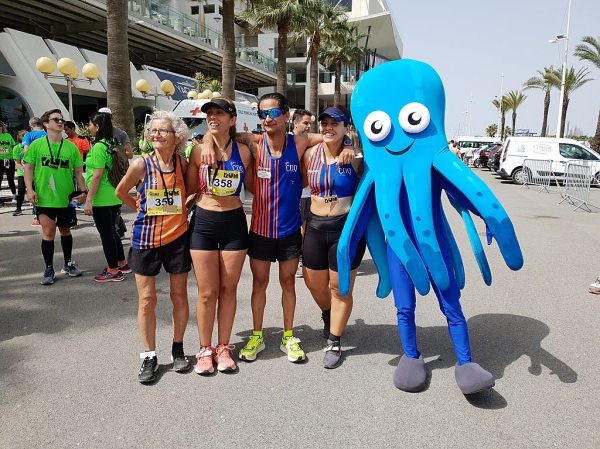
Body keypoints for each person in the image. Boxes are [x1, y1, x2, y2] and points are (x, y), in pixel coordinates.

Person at [201, 92, 354, 363]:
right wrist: (205, 140)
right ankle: (257, 335)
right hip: (260, 230)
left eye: (272, 113)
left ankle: (288, 335)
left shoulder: (300, 142)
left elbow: (332, 136)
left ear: (285, 115)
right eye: (262, 114)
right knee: (259, 284)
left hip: (289, 231)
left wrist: (348, 145)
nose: (267, 119)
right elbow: (220, 132)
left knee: (288, 283)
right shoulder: (253, 143)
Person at [115, 110, 192, 383]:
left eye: (162, 130)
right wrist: (140, 207)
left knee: (179, 296)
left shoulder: (182, 164)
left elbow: (191, 191)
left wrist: (184, 208)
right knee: (147, 300)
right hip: (146, 239)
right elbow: (121, 191)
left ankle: (178, 348)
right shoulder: (141, 164)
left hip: (177, 238)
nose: (156, 134)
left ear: (177, 137)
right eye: (153, 131)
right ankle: (149, 355)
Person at [185, 98, 253, 374]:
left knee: (228, 289)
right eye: (210, 114)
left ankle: (223, 347)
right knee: (207, 292)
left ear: (232, 119)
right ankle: (205, 349)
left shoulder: (244, 152)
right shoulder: (197, 151)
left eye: (219, 113)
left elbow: (254, 186)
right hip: (204, 222)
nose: (213, 117)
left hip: (234, 223)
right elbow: (189, 189)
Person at [301, 107, 365, 369]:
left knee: (340, 288)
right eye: (324, 123)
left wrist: (349, 145)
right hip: (315, 225)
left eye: (335, 124)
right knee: (314, 284)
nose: (328, 128)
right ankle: (328, 313)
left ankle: (334, 341)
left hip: (345, 228)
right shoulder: (309, 154)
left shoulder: (357, 158)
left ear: (346, 128)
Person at [23, 109, 86, 285]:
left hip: (66, 198)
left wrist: (83, 192)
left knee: (65, 230)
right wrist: (29, 189)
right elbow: (28, 168)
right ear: (46, 124)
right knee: (49, 231)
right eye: (56, 119)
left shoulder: (71, 147)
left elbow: (78, 172)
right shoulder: (37, 145)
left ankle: (68, 264)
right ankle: (49, 268)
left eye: (62, 120)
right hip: (44, 198)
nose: (60, 122)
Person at [83, 112, 130, 282]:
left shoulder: (98, 147)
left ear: (97, 127)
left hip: (101, 197)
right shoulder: (113, 143)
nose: (89, 127)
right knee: (112, 231)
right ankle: (122, 263)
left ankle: (113, 270)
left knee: (106, 235)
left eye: (90, 124)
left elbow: (97, 176)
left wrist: (89, 199)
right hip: (114, 194)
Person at [97, 107, 131, 238]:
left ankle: (116, 229)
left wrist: (116, 153)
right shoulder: (98, 133)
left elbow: (129, 154)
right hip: (103, 173)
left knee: (116, 202)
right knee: (112, 204)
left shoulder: (121, 134)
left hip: (117, 173)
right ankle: (117, 228)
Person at [292, 109, 313, 278]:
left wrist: (348, 145)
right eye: (305, 123)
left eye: (310, 123)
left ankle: (302, 259)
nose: (308, 126)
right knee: (296, 228)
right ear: (295, 123)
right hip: (291, 194)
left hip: (307, 193)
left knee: (304, 228)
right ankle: (297, 258)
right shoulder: (286, 141)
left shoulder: (310, 141)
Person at [22, 117, 47, 226]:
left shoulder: (28, 135)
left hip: (34, 167)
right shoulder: (47, 134)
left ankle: (39, 218)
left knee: (35, 190)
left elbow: (26, 150)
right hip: (47, 166)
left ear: (31, 126)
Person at [0, 121, 16, 205]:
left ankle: (14, 196)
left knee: (11, 179)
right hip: (0, 160)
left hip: (9, 160)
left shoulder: (8, 135)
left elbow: (13, 146)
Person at [12, 130, 26, 216]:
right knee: (20, 190)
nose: (25, 138)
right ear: (19, 137)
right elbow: (17, 163)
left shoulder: (32, 146)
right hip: (22, 172)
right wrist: (24, 170)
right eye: (23, 136)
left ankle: (36, 209)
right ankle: (18, 209)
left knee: (35, 190)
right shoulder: (17, 148)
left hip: (33, 172)